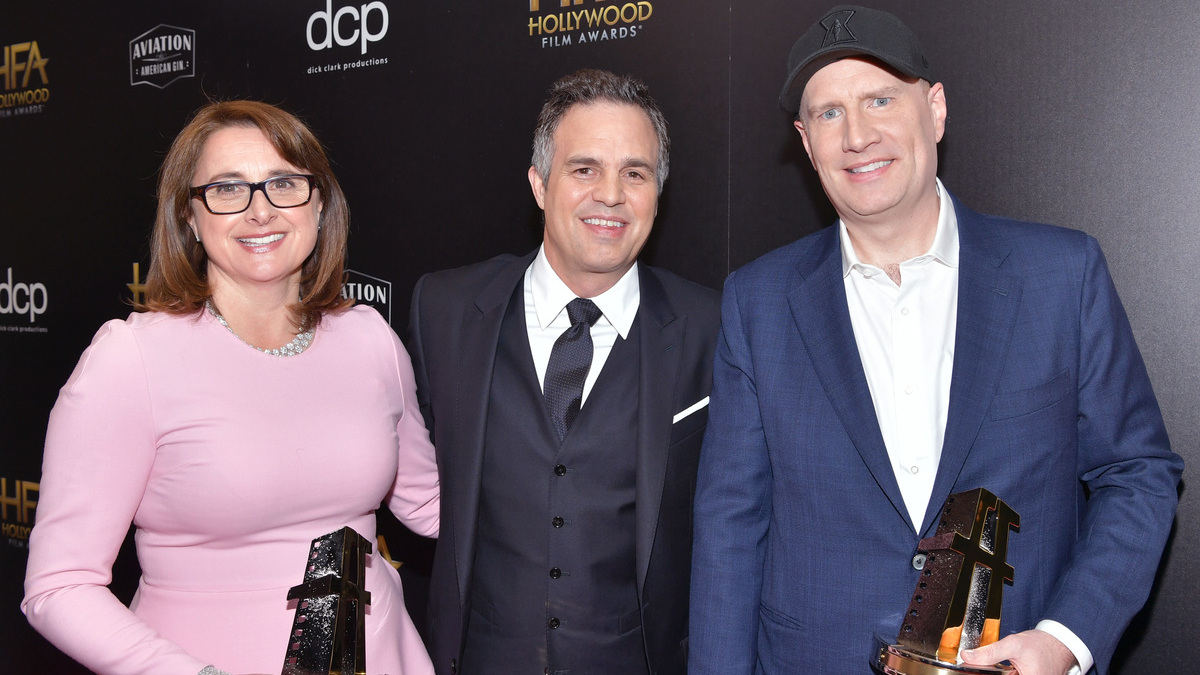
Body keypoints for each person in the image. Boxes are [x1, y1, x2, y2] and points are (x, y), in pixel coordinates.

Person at [689, 6, 1183, 675]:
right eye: (829, 114)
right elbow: (729, 528)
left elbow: (1138, 474)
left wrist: (1066, 638)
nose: (857, 135)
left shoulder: (1062, 276)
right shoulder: (759, 300)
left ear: (936, 109)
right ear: (806, 143)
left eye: (880, 99)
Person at [22, 100, 440, 675]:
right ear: (189, 216)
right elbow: (59, 585)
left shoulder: (370, 338)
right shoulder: (132, 359)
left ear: (319, 203)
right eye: (227, 189)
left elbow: (426, 502)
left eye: (284, 183)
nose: (260, 211)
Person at [408, 69, 720, 675]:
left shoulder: (713, 325)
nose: (610, 194)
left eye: (636, 173)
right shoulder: (443, 311)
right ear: (538, 184)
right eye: (584, 169)